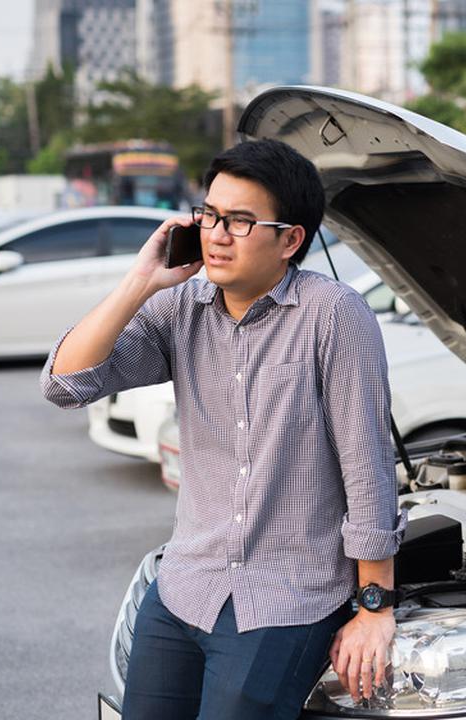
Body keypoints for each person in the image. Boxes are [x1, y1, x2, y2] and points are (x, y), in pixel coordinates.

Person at [40, 138, 406, 719]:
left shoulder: (332, 314)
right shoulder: (180, 307)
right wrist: (140, 282)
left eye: (239, 221)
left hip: (286, 600)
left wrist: (373, 607)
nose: (216, 234)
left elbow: (368, 470)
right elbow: (66, 384)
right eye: (209, 215)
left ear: (291, 239)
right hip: (185, 587)